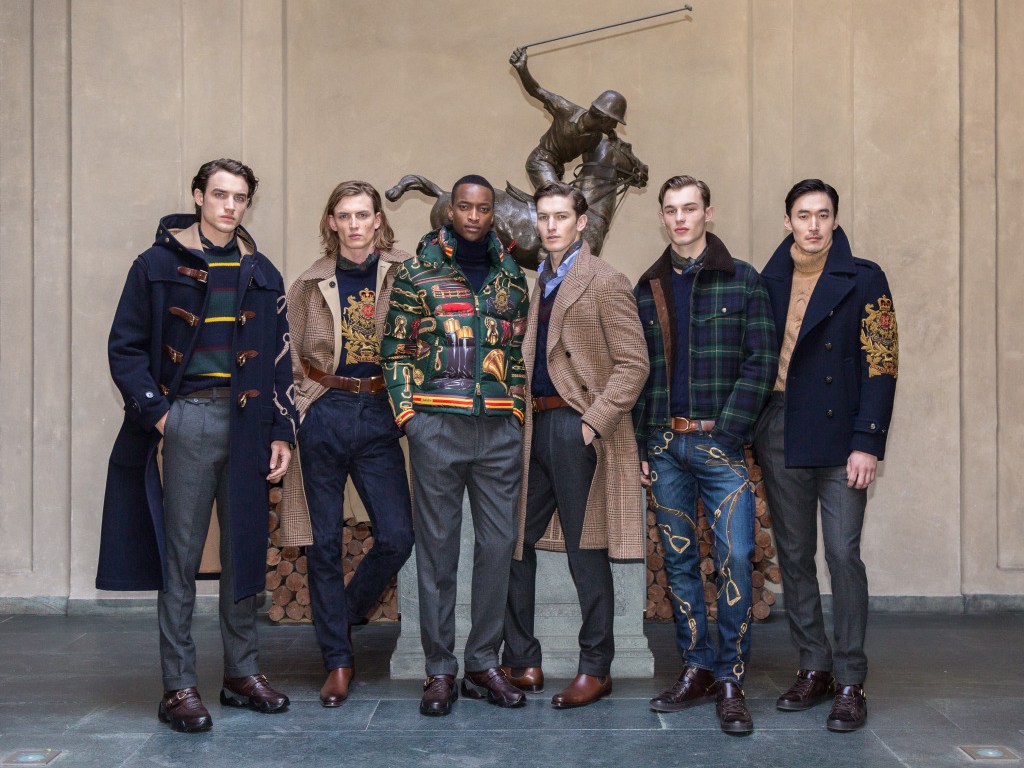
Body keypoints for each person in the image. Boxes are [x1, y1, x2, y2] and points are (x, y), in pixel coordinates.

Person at [99, 158, 298, 732]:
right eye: (220, 195)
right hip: (186, 418)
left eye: (240, 197)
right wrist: (161, 417)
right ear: (198, 196)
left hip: (249, 423)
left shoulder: (263, 272)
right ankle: (179, 686)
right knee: (180, 558)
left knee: (244, 552)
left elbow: (280, 362)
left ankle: (242, 673)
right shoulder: (156, 265)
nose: (230, 206)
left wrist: (281, 430)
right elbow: (124, 348)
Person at [380, 174, 531, 716]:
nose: (473, 216)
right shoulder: (417, 272)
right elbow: (393, 349)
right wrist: (410, 419)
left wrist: (515, 412)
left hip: (498, 432)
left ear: (494, 214)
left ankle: (484, 663)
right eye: (465, 207)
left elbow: (515, 354)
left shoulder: (512, 277)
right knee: (438, 549)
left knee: (497, 547)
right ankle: (440, 669)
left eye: (483, 208)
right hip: (436, 428)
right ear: (450, 211)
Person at [633, 175, 777, 735]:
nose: (680, 218)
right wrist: (644, 443)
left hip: (721, 444)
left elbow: (761, 362)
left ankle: (730, 677)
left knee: (737, 555)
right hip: (665, 446)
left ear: (708, 213)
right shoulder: (648, 287)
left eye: (689, 208)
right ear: (662, 217)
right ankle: (696, 668)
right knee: (678, 562)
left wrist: (730, 431)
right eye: (671, 210)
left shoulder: (743, 279)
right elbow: (640, 373)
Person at [753, 179, 898, 733]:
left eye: (823, 214)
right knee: (794, 556)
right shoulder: (766, 281)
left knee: (842, 554)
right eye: (803, 214)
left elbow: (882, 362)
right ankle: (813, 666)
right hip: (781, 428)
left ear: (835, 220)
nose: (813, 225)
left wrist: (868, 441)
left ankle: (851, 679)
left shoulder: (866, 278)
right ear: (787, 220)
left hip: (843, 440)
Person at [501, 181, 648, 707]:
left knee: (586, 551)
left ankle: (596, 668)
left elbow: (634, 364)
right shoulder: (538, 281)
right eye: (543, 217)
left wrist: (592, 423)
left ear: (581, 222)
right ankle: (523, 660)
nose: (550, 226)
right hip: (533, 427)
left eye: (561, 216)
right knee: (513, 543)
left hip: (574, 426)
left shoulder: (605, 281)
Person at [277, 181, 415, 707]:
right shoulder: (308, 284)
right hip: (325, 409)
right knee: (323, 541)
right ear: (331, 222)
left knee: (398, 535)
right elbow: (286, 354)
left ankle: (345, 611)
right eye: (344, 215)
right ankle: (337, 659)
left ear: (378, 219)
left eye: (363, 214)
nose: (354, 224)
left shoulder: (406, 274)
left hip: (380, 410)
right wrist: (301, 407)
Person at [510, 47, 626, 190]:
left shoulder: (595, 137)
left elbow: (589, 168)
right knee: (557, 198)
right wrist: (522, 69)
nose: (614, 126)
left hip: (557, 170)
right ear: (604, 118)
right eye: (614, 121)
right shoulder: (565, 110)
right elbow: (536, 90)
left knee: (572, 200)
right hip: (540, 161)